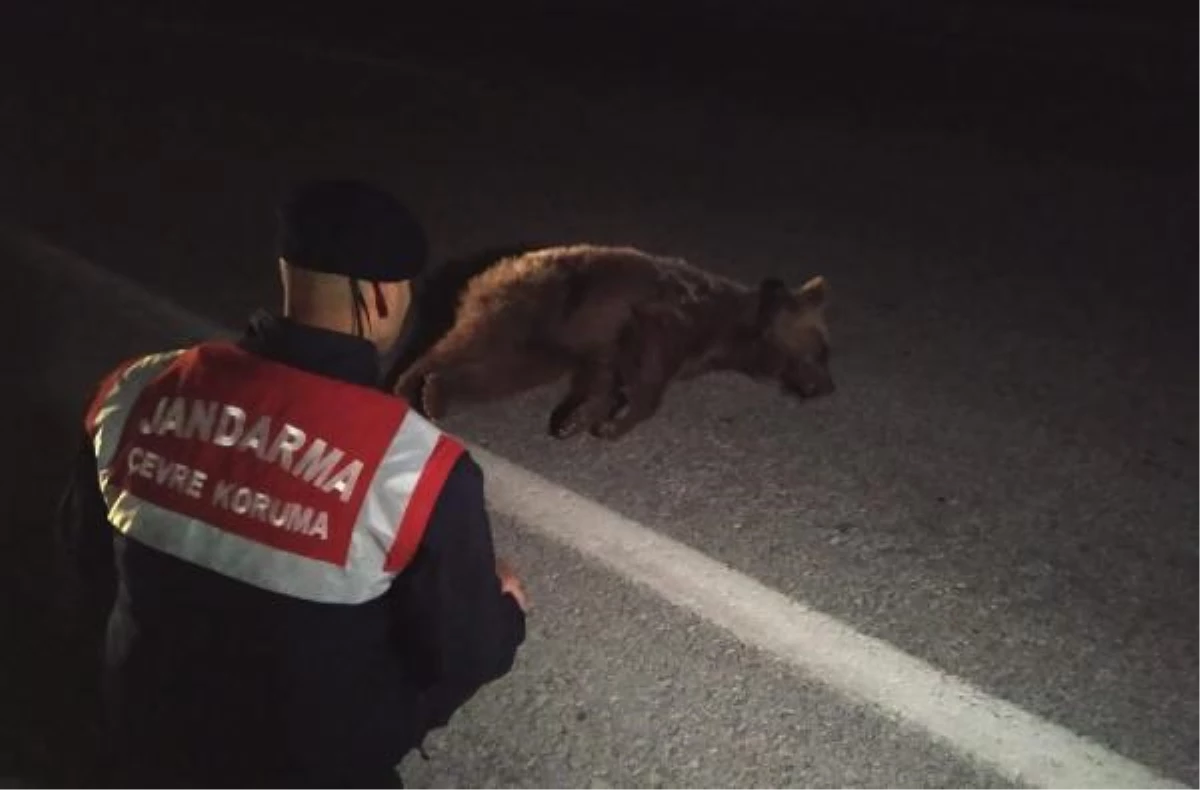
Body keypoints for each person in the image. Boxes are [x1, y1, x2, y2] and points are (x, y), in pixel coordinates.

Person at [54, 179, 530, 790]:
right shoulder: (417, 466)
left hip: (142, 731)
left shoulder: (137, 387)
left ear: (287, 273)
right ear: (382, 299)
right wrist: (504, 612)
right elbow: (459, 655)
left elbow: (84, 556)